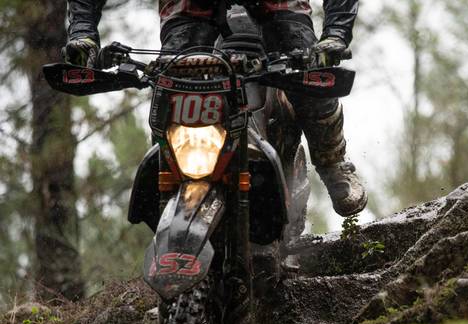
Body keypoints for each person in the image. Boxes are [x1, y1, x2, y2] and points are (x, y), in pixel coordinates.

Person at [63, 0, 367, 218]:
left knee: (310, 66)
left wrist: (335, 34)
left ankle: (332, 161)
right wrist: (83, 33)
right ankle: (170, 182)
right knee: (170, 83)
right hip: (190, 9)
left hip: (277, 6)